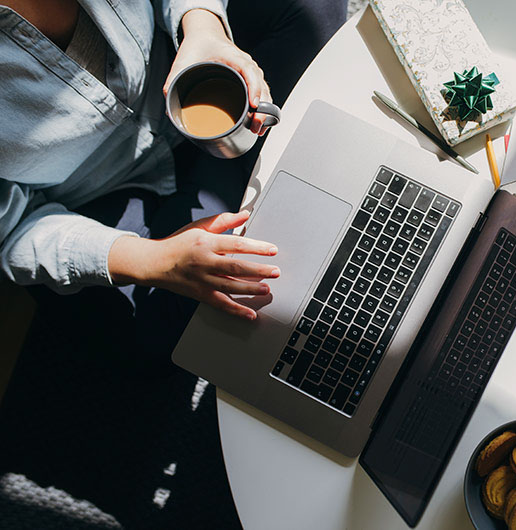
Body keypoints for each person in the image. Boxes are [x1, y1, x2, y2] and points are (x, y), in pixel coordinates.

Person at [0, 0, 347, 527]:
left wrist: (201, 25)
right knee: (163, 332)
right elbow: (12, 234)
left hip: (181, 83)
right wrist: (156, 260)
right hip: (104, 195)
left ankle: (250, 182)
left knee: (310, 10)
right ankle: (267, 176)